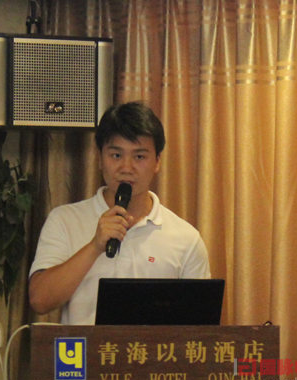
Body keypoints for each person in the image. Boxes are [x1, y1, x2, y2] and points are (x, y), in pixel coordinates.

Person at [28, 101, 210, 325]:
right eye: (116, 155)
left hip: (152, 349)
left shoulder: (186, 238)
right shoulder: (64, 220)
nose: (126, 168)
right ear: (100, 159)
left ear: (157, 162)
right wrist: (95, 246)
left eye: (139, 157)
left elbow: (200, 326)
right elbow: (40, 301)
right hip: (85, 348)